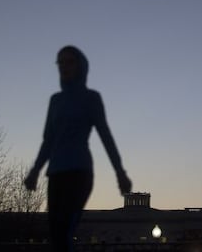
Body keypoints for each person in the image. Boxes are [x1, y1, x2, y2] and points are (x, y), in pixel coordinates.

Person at [24, 45, 132, 252]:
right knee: (56, 232)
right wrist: (34, 171)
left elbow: (105, 135)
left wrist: (120, 173)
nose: (64, 66)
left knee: (64, 229)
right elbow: (48, 140)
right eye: (60, 62)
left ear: (80, 66)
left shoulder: (91, 98)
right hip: (55, 173)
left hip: (79, 172)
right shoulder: (55, 101)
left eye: (69, 61)